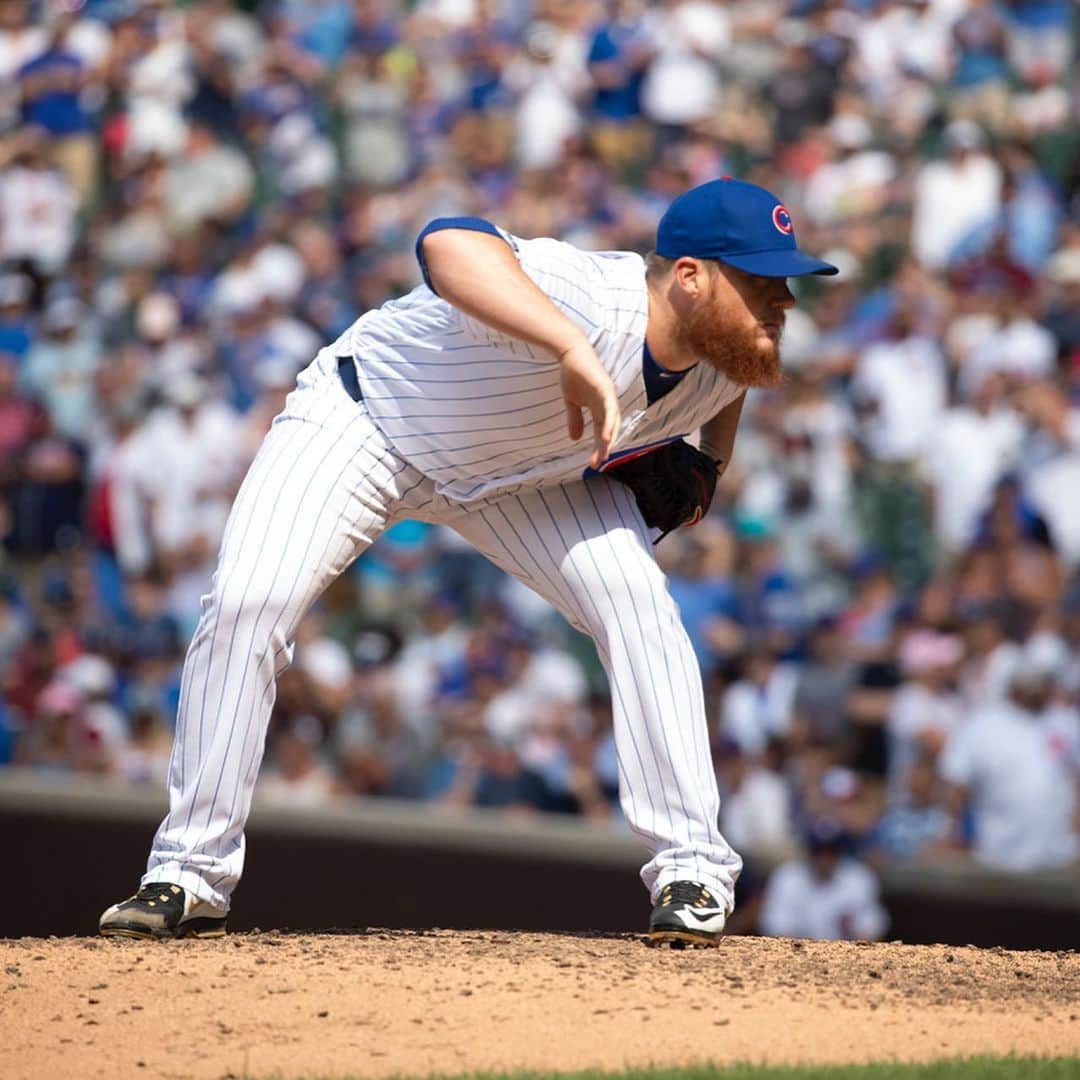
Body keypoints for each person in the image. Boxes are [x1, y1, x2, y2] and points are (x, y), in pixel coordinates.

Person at [98, 177, 837, 946]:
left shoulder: (724, 351)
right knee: (250, 603)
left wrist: (711, 464)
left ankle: (694, 873)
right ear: (689, 277)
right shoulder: (594, 299)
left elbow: (728, 385)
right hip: (368, 422)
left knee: (638, 606)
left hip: (518, 476)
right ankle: (188, 873)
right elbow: (447, 241)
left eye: (782, 281)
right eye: (760, 280)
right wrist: (568, 346)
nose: (780, 299)